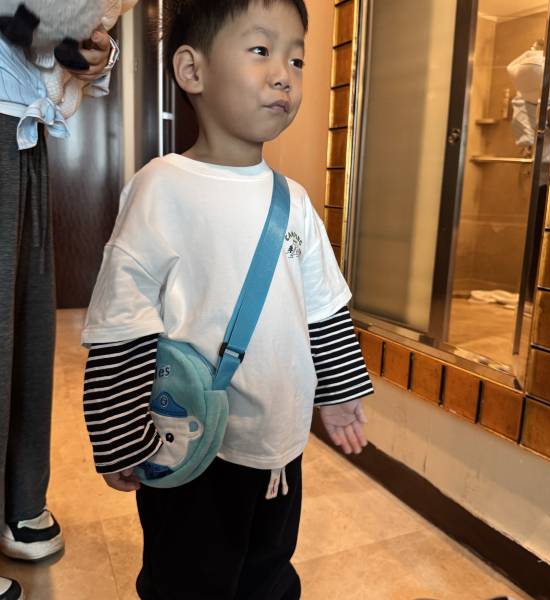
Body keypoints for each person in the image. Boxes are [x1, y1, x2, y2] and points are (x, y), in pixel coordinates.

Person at [80, 0, 374, 598]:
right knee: (187, 578)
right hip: (191, 445)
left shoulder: (294, 202)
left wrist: (341, 394)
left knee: (269, 569)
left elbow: (323, 310)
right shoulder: (160, 187)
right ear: (193, 71)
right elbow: (122, 318)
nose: (284, 75)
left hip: (278, 443)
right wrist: (116, 430)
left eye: (296, 59)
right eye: (261, 50)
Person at [0, 8, 128, 600]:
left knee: (25, 326)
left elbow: (65, 29)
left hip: (19, 121)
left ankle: (18, 499)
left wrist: (98, 53)